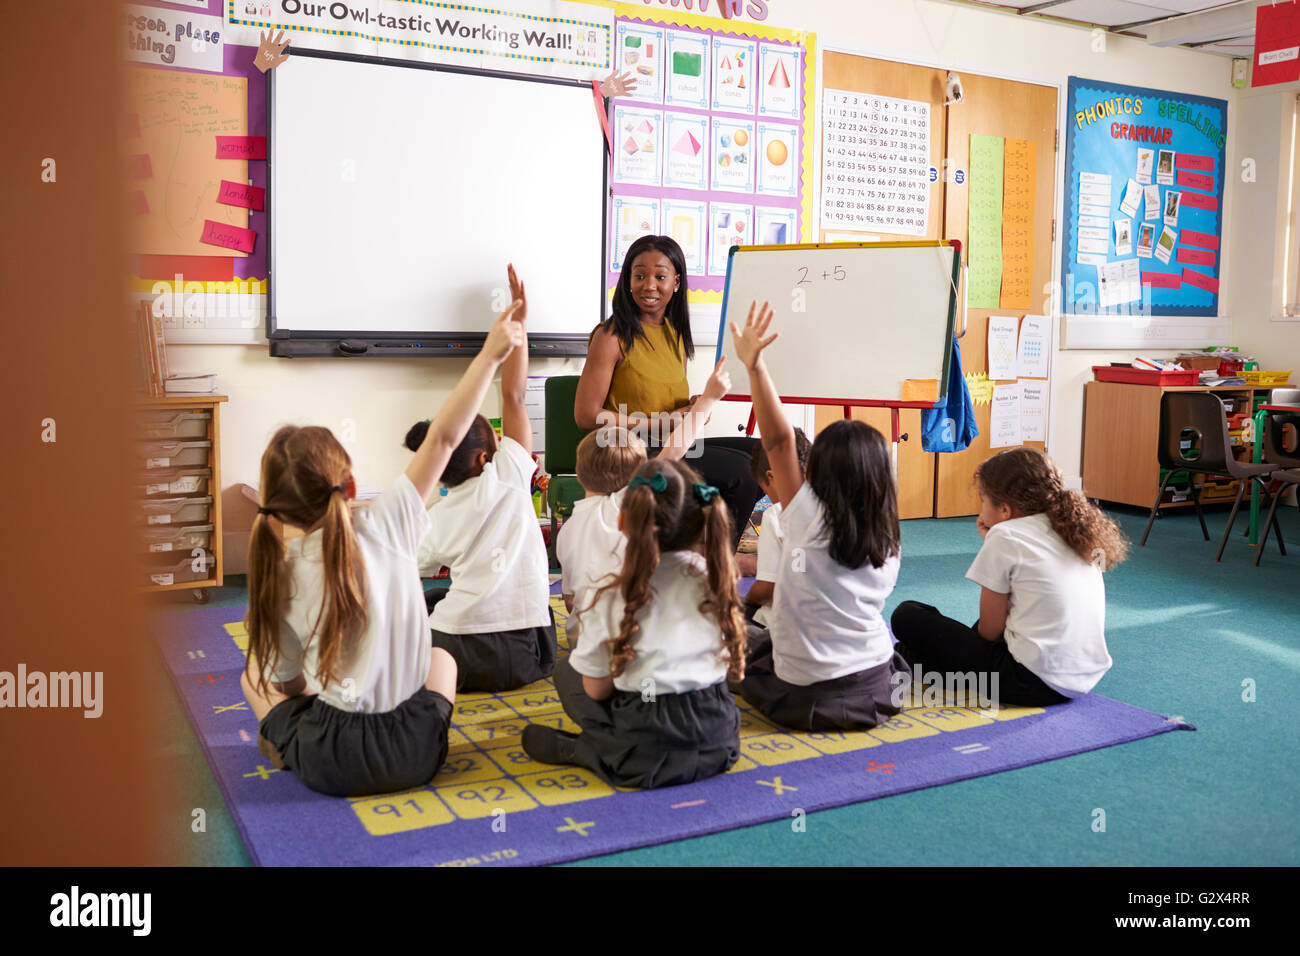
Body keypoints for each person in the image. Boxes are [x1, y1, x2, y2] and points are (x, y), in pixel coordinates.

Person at [239, 301, 525, 797]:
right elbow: (442, 439)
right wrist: (490, 355)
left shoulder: (277, 576)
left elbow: (287, 686)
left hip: (334, 761)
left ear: (273, 507)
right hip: (415, 751)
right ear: (350, 489)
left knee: (253, 677)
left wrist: (316, 686)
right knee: (444, 662)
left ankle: (287, 747)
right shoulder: (389, 521)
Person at [522, 457, 747, 789]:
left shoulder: (612, 590)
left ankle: (589, 750)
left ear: (624, 521)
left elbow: (596, 689)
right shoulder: (715, 575)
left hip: (646, 744)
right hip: (719, 736)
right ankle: (608, 749)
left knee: (567, 671)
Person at [731, 302, 903, 731]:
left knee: (725, 640)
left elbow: (777, 439)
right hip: (877, 690)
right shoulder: (889, 532)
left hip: (804, 697)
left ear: (817, 473)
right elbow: (781, 441)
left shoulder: (807, 516)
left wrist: (755, 367)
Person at [891, 447, 1127, 706]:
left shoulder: (1006, 536)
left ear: (1004, 510)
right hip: (1081, 680)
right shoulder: (1073, 529)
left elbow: (990, 631)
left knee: (907, 615)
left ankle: (912, 659)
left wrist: (994, 542)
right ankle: (918, 660)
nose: (981, 509)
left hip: (1027, 681)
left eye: (983, 500)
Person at [414, 265, 556, 693]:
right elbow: (513, 394)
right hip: (532, 653)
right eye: (493, 431)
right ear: (484, 456)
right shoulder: (511, 473)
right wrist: (519, 324)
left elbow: (408, 569)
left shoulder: (435, 518)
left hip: (460, 654)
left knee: (423, 603)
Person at [574, 234, 762, 544]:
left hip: (674, 442)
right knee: (740, 471)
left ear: (676, 282)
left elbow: (668, 400)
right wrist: (659, 423)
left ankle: (702, 547)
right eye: (639, 275)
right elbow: (585, 415)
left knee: (760, 454)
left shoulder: (675, 333)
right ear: (627, 281)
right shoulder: (610, 336)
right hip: (628, 451)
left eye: (660, 276)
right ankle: (718, 563)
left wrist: (695, 406)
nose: (649, 285)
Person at [558, 356, 733, 640]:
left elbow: (569, 601)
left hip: (584, 642)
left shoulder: (566, 531)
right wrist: (708, 399)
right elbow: (674, 451)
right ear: (637, 476)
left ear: (580, 475)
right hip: (633, 635)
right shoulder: (625, 503)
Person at [743, 427, 811, 626]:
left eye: (764, 490)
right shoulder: (837, 503)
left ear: (771, 477)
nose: (768, 498)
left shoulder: (776, 514)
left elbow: (768, 589)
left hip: (788, 629)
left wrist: (748, 599)